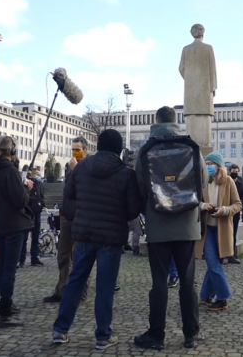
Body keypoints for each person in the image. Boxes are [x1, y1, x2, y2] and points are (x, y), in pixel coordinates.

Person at [51, 129, 141, 350]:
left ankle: (60, 330)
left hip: (84, 234)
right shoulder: (125, 173)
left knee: (75, 281)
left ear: (99, 146)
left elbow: (69, 197)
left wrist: (78, 217)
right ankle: (102, 335)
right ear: (119, 149)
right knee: (105, 286)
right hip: (110, 237)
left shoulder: (81, 168)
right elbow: (133, 210)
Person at [133, 106, 208, 350]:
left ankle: (156, 335)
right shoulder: (191, 147)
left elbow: (140, 186)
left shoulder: (146, 150)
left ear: (156, 121)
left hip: (158, 226)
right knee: (187, 282)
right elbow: (203, 180)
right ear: (176, 122)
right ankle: (191, 334)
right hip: (187, 225)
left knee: (159, 283)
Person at [0, 137, 33, 327]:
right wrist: (25, 188)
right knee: (9, 270)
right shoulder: (10, 171)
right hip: (13, 225)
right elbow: (20, 201)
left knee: (1, 268)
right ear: (12, 152)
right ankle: (5, 312)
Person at [43, 136, 91, 304]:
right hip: (67, 215)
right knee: (63, 256)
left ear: (85, 150)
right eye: (73, 149)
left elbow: (81, 188)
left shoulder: (87, 166)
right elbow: (67, 191)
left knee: (81, 256)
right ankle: (61, 290)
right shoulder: (69, 166)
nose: (75, 153)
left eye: (78, 149)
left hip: (82, 216)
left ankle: (81, 291)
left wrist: (76, 169)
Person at [195, 152, 242, 310]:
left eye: (211, 163)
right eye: (206, 163)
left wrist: (225, 210)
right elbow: (195, 201)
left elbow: (237, 204)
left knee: (215, 265)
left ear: (218, 165)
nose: (208, 166)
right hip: (207, 229)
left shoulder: (228, 181)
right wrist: (203, 206)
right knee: (213, 263)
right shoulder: (203, 181)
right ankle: (223, 298)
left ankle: (205, 295)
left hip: (222, 230)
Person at [20, 168, 45, 268]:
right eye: (38, 175)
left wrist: (42, 204)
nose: (40, 177)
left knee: (35, 237)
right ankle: (21, 259)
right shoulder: (29, 184)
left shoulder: (39, 185)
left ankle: (34, 258)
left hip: (37, 214)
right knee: (24, 238)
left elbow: (41, 196)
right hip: (28, 213)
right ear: (33, 175)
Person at [226, 164, 243, 264]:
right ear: (230, 171)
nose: (235, 173)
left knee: (233, 233)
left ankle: (231, 255)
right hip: (224, 211)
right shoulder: (225, 182)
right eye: (233, 171)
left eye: (237, 171)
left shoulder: (240, 184)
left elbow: (242, 197)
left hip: (235, 212)